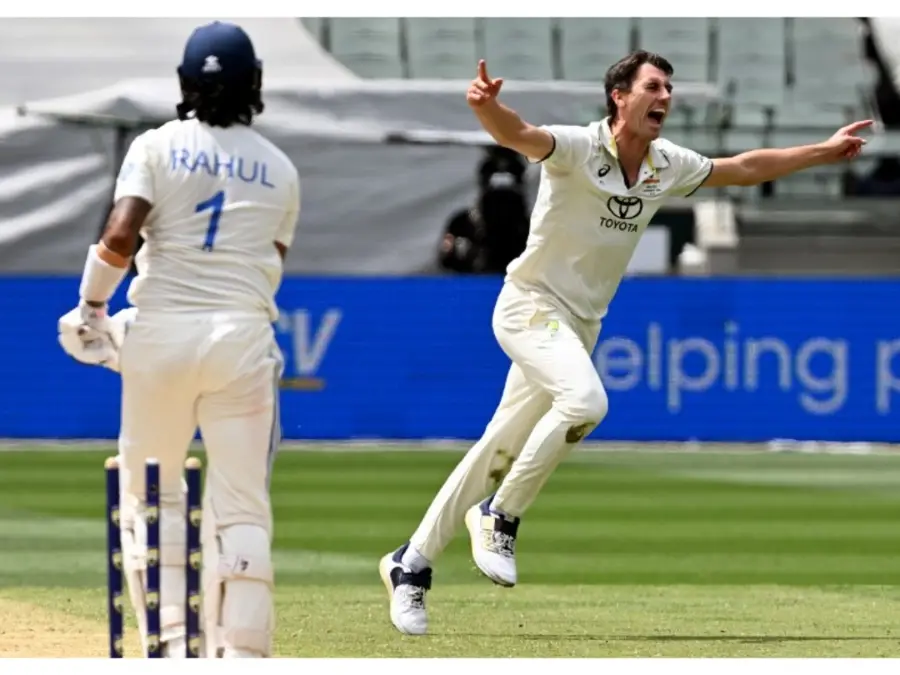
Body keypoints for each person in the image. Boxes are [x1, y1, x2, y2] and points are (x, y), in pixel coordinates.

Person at [379, 51, 871, 636]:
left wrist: (822, 150)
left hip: (578, 327)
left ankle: (409, 564)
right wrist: (488, 109)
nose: (665, 97)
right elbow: (521, 134)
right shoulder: (579, 147)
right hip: (529, 306)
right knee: (586, 404)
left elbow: (742, 166)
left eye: (669, 88)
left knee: (499, 447)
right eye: (653, 87)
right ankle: (500, 514)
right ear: (620, 96)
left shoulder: (666, 164)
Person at [57, 21, 300, 658]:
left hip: (158, 337)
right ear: (255, 84)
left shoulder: (156, 146)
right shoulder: (280, 169)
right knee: (243, 506)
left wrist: (90, 307)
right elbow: (269, 258)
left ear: (186, 84)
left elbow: (119, 236)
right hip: (242, 342)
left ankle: (167, 645)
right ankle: (243, 654)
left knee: (151, 495)